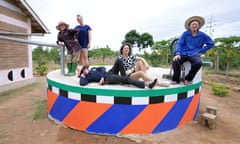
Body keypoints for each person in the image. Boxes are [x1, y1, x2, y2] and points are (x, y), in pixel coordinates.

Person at [172, 16, 214, 85]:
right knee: (176, 61)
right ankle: (176, 79)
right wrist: (178, 53)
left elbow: (211, 43)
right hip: (183, 53)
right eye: (192, 24)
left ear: (198, 26)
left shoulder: (202, 35)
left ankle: (188, 79)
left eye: (196, 24)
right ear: (189, 26)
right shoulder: (185, 34)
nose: (194, 25)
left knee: (198, 63)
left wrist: (201, 50)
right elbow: (179, 43)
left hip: (194, 53)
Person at [79, 58, 157, 89]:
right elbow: (82, 84)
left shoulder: (93, 68)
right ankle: (146, 84)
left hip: (109, 73)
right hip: (108, 78)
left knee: (119, 60)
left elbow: (103, 68)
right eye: (83, 71)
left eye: (85, 69)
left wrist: (102, 76)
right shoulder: (87, 77)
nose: (85, 70)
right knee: (125, 79)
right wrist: (82, 76)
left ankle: (124, 78)